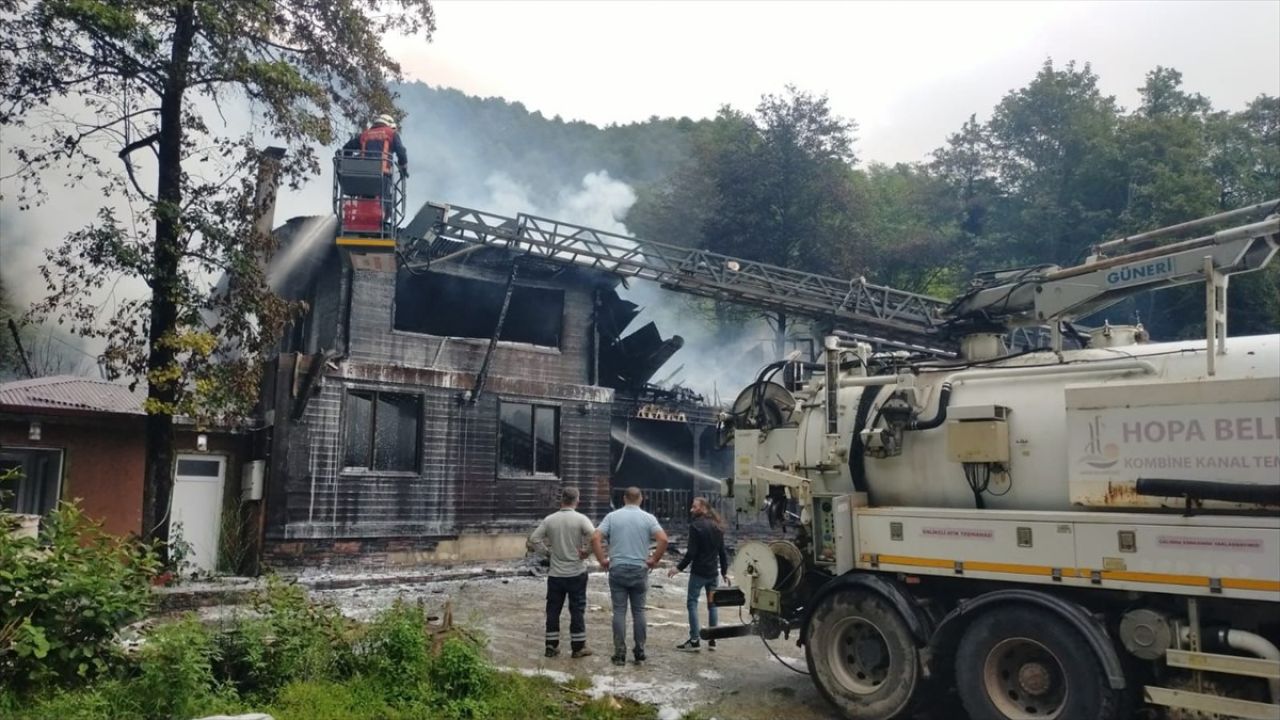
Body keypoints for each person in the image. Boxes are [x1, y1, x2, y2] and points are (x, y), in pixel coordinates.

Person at [592, 487, 668, 667]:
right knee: (639, 611)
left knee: (619, 611)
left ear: (624, 498)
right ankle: (639, 650)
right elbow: (663, 539)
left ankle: (619, 653)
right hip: (639, 569)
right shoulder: (649, 518)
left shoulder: (612, 517)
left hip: (617, 568)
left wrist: (602, 560)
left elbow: (595, 537)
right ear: (640, 498)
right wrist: (653, 560)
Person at [527, 486, 596, 659]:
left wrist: (547, 553)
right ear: (577, 500)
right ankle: (578, 647)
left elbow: (534, 539)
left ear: (561, 500)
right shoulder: (581, 519)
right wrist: (587, 552)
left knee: (553, 610)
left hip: (556, 574)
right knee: (577, 610)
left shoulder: (550, 520)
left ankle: (551, 646)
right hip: (576, 573)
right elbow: (595, 537)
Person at [668, 496, 729, 652]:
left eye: (694, 507)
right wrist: (724, 572)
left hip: (698, 574)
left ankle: (695, 639)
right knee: (712, 605)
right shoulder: (717, 526)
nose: (691, 509)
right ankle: (713, 639)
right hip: (712, 574)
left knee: (692, 603)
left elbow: (691, 553)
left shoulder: (695, 526)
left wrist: (678, 568)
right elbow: (722, 552)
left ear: (703, 508)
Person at [341, 113, 408, 226]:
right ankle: (382, 221)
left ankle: (360, 218)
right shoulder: (391, 134)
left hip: (363, 176)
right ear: (390, 125)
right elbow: (401, 152)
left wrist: (352, 162)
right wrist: (403, 167)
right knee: (386, 200)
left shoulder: (364, 134)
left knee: (362, 198)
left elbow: (346, 149)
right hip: (382, 177)